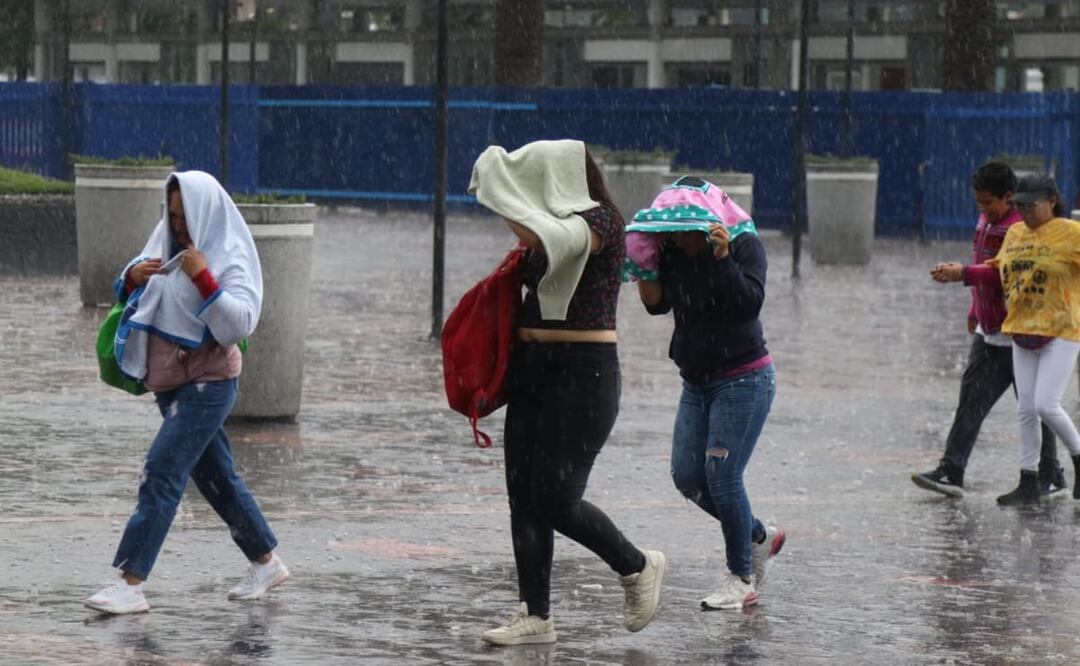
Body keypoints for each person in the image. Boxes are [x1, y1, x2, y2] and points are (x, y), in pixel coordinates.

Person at [467, 140, 665, 645]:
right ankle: (536, 615)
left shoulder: (600, 223)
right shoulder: (549, 227)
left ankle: (637, 565)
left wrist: (502, 187)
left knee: (556, 497)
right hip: (533, 371)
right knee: (523, 498)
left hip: (584, 375)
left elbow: (553, 239)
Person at [85, 171, 288, 614]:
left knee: (161, 471)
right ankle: (266, 561)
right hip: (171, 383)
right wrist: (133, 276)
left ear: (204, 213)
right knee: (216, 477)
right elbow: (136, 287)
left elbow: (239, 324)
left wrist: (204, 280)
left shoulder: (228, 253)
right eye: (171, 215)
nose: (178, 225)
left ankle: (130, 582)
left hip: (210, 384)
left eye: (184, 217)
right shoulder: (167, 242)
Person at [631, 176, 782, 611]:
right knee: (687, 477)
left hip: (744, 379)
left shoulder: (742, 245)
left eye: (685, 230)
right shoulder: (672, 250)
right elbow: (657, 303)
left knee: (723, 477)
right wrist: (643, 265)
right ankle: (757, 536)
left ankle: (741, 577)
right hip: (695, 381)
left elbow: (748, 302)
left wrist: (720, 258)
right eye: (671, 230)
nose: (678, 237)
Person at [912, 162, 1066, 499]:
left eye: (988, 203)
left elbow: (1004, 273)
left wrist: (963, 274)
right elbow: (985, 264)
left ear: (1009, 198)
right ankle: (954, 469)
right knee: (975, 398)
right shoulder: (988, 222)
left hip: (1020, 332)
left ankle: (1049, 472)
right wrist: (974, 308)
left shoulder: (1019, 228)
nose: (982, 210)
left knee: (1036, 406)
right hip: (990, 329)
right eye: (978, 203)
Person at [973, 173, 1080, 505]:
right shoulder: (1016, 232)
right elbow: (998, 270)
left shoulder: (1071, 233)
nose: (1026, 212)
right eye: (1020, 205)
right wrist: (964, 277)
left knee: (1046, 404)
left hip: (1061, 328)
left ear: (1051, 201)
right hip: (1022, 327)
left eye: (1031, 205)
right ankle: (1028, 481)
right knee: (1025, 409)